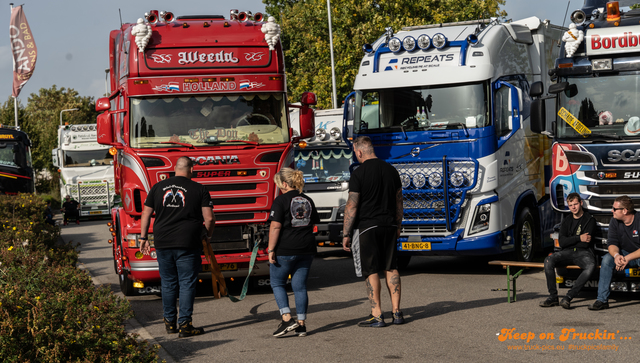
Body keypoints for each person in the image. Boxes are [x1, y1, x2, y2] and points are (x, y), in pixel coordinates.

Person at [140, 156, 215, 337]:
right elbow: (209, 218)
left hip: (163, 241)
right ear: (191, 170)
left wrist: (143, 237)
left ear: (175, 168)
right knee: (187, 283)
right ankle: (185, 325)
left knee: (168, 282)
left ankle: (169, 323)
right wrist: (208, 234)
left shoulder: (158, 187)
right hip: (188, 241)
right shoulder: (199, 189)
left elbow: (146, 213)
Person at [342, 136, 404, 327]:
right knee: (391, 267)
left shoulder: (358, 174)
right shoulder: (392, 171)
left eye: (355, 153)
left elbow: (352, 206)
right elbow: (399, 202)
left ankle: (377, 315)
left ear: (359, 151)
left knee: (371, 270)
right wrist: (398, 226)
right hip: (390, 225)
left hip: (367, 227)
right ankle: (397, 313)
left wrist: (346, 233)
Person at [267, 167, 319, 337]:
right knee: (300, 287)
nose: (279, 188)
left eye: (279, 185)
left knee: (277, 283)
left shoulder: (280, 201)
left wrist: (271, 249)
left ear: (285, 183)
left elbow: (275, 226)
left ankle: (287, 318)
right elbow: (314, 225)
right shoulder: (308, 200)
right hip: (307, 248)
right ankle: (302, 325)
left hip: (286, 248)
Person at [539, 193, 596, 309]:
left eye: (575, 204)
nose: (573, 207)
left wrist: (572, 240)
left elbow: (586, 243)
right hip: (567, 252)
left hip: (583, 252)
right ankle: (553, 297)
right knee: (548, 261)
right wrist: (579, 238)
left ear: (580, 203)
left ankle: (568, 297)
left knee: (591, 265)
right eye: (570, 205)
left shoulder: (589, 220)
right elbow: (562, 242)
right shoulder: (566, 220)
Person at [589, 195, 640, 310]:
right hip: (625, 254)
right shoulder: (614, 221)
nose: (612, 211)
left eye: (615, 209)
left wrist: (627, 258)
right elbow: (611, 243)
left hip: (636, 255)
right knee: (607, 259)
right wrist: (617, 256)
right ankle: (602, 300)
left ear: (625, 211)